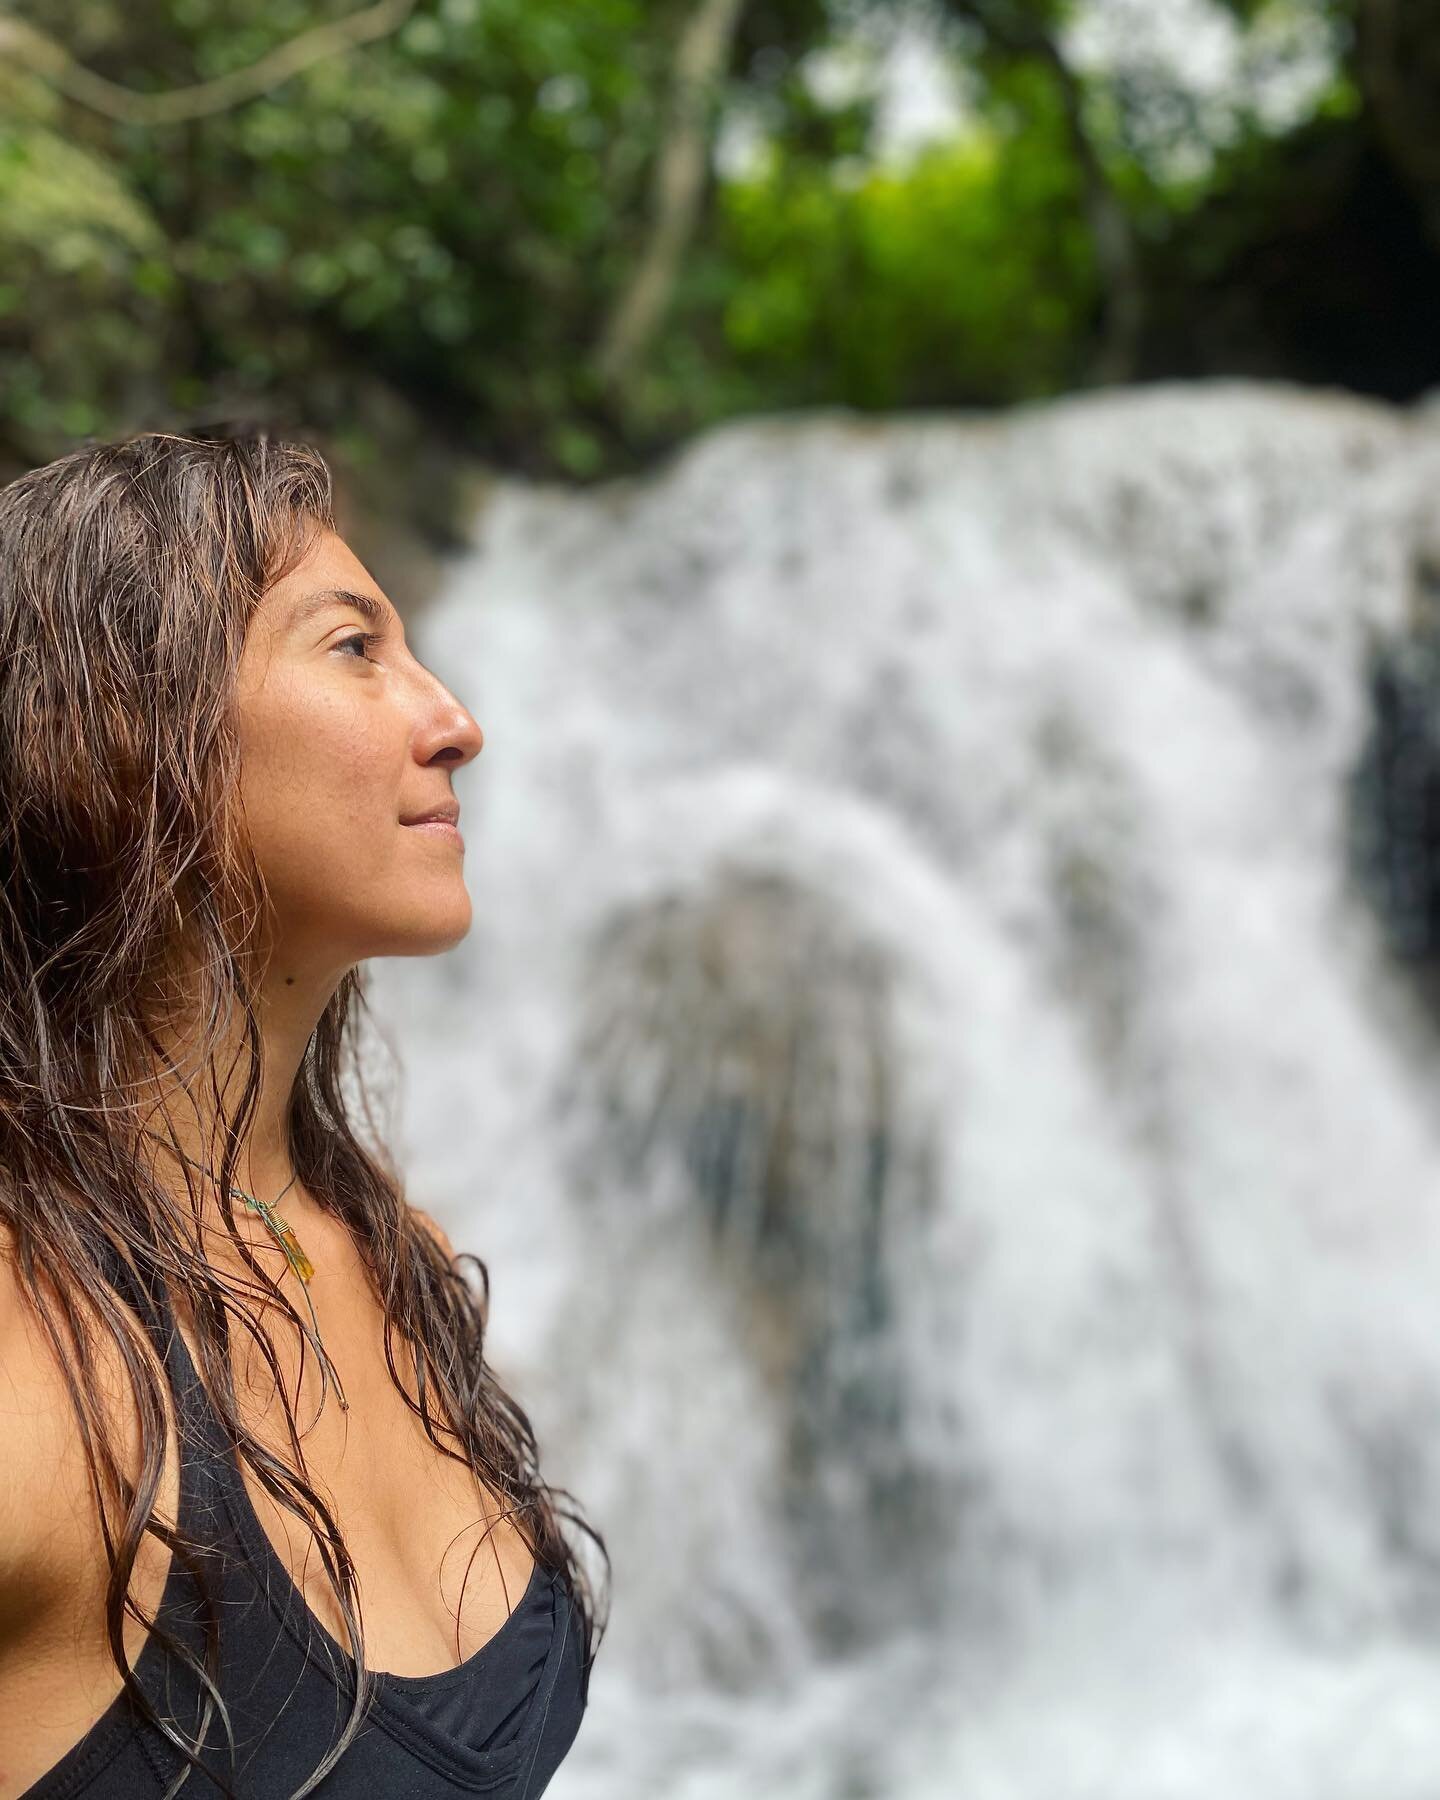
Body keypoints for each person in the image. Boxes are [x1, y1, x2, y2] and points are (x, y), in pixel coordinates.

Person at [0, 429, 607, 1799]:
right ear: (120, 736)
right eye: (353, 649)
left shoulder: (392, 1248)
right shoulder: (33, 1369)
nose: (457, 720)